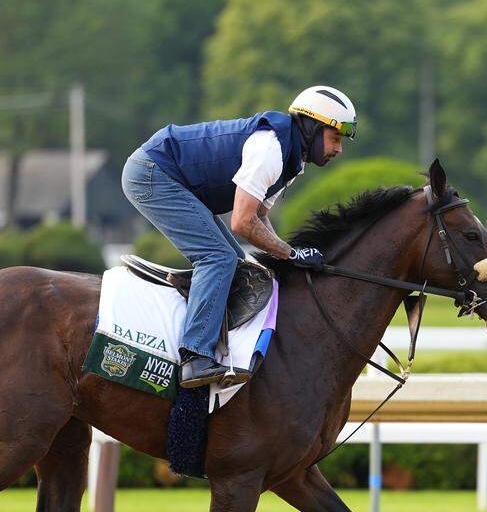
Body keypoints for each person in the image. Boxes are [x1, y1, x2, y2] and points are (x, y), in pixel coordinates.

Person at [122, 85, 357, 388]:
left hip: (171, 176)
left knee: (234, 261)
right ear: (312, 128)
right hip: (152, 172)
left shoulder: (292, 160)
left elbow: (259, 215)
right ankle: (195, 357)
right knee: (218, 257)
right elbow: (242, 222)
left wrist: (287, 254)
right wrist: (291, 254)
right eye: (335, 138)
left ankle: (201, 311)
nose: (338, 149)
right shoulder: (271, 149)